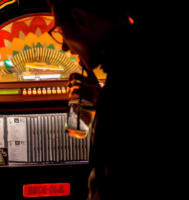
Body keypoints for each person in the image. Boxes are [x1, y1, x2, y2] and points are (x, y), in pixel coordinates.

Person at [47, 1, 164, 200]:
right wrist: (99, 100)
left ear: (79, 19)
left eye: (60, 31)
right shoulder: (132, 62)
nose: (66, 46)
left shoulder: (129, 75)